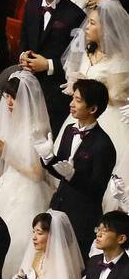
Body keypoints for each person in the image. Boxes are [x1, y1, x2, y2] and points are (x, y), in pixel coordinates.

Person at [0, 73, 57, 279]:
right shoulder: (12, 123)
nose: (8, 102)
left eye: (13, 98)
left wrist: (6, 152)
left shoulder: (36, 128)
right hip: (8, 185)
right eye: (6, 97)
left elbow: (36, 173)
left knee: (19, 243)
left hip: (29, 192)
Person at [44, 79, 115, 256]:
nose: (71, 104)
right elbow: (60, 169)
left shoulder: (103, 145)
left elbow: (97, 189)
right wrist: (47, 158)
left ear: (93, 109)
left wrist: (73, 176)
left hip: (82, 218)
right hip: (59, 207)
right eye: (73, 98)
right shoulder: (69, 130)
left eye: (78, 100)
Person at [18, 0, 87, 134]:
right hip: (27, 79)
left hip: (55, 87)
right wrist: (22, 56)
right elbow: (23, 40)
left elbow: (78, 59)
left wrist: (47, 65)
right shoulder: (31, 6)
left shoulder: (76, 16)